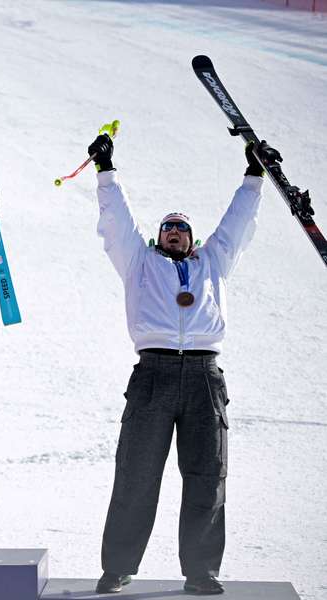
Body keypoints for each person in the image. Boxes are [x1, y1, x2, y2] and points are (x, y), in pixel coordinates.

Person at [88, 132, 280, 595]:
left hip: (203, 377)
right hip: (152, 374)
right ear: (159, 238)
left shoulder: (213, 261)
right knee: (136, 473)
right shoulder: (139, 262)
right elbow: (117, 222)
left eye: (182, 228)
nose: (174, 232)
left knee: (207, 475)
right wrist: (106, 172)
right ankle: (117, 568)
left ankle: (201, 572)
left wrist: (254, 174)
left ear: (193, 240)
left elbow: (236, 224)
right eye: (167, 227)